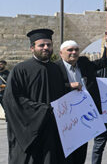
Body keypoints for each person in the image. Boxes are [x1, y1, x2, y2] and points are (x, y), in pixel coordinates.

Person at [4, 28, 66, 163]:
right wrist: (43, 110)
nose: (46, 48)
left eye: (49, 45)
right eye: (41, 45)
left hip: (51, 131)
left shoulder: (56, 69)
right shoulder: (20, 70)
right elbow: (12, 100)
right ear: (32, 48)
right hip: (28, 132)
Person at [56, 34, 107, 164]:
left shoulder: (84, 63)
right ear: (61, 53)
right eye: (69, 50)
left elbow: (104, 61)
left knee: (81, 150)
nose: (73, 52)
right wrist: (68, 86)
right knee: (65, 151)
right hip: (65, 116)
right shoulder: (55, 68)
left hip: (83, 115)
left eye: (76, 49)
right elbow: (51, 86)